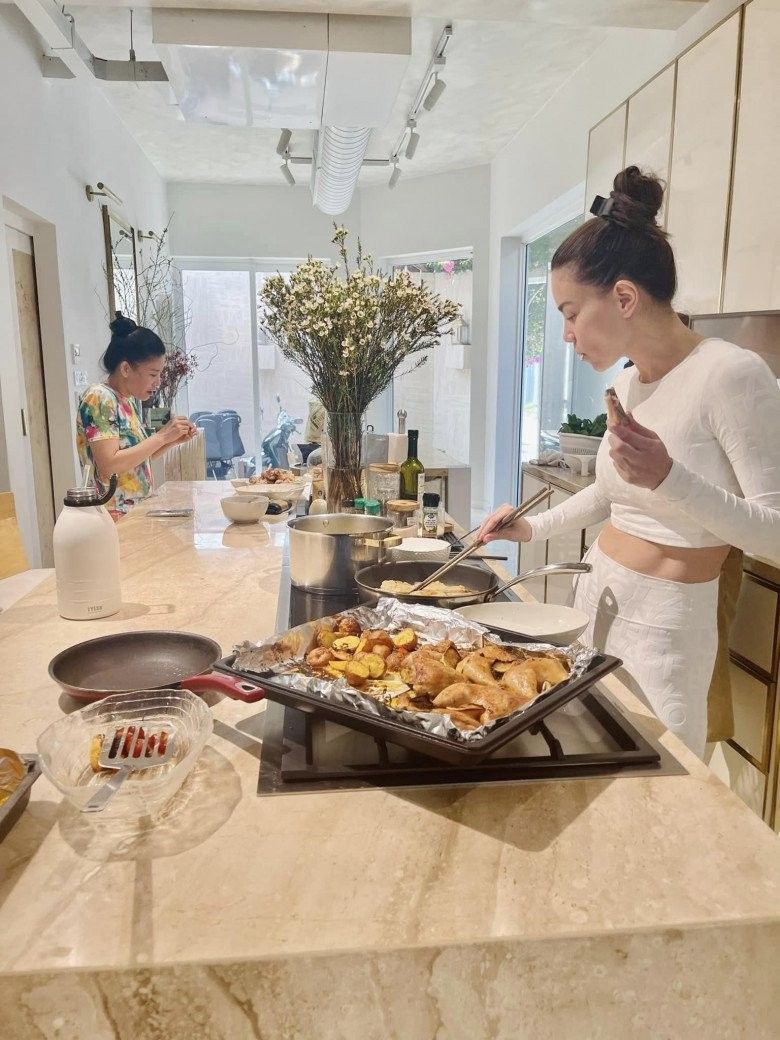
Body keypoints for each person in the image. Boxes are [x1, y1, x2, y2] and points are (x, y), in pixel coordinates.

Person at [478, 166, 780, 757]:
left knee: (656, 783)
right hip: (596, 599)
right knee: (580, 761)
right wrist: (531, 527)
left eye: (570, 313)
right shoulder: (627, 384)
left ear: (623, 298)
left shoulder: (731, 374)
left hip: (667, 628)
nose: (566, 335)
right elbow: (612, 492)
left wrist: (671, 478)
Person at [77, 312, 196, 519]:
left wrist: (173, 440)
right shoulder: (99, 398)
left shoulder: (127, 400)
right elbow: (109, 466)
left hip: (135, 514)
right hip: (112, 518)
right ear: (125, 368)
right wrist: (162, 437)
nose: (158, 382)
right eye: (153, 374)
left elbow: (139, 459)